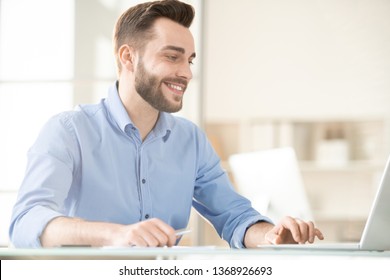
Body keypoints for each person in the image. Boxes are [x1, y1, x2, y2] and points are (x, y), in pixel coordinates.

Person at [9, 0, 323, 248]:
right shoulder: (69, 131)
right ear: (128, 57)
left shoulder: (191, 140)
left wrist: (271, 236)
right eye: (172, 57)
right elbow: (26, 222)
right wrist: (115, 235)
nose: (186, 72)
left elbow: (235, 216)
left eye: (189, 60)